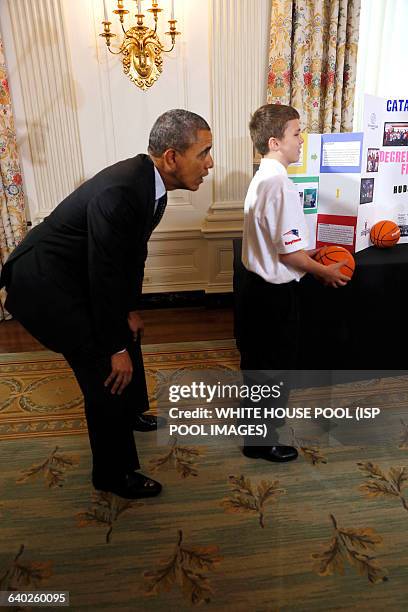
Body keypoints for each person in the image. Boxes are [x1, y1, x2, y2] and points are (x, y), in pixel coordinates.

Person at [0, 109, 213, 498]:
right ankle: (114, 474)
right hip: (44, 283)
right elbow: (103, 273)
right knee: (105, 369)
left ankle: (132, 413)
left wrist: (129, 310)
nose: (210, 163)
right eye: (204, 153)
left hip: (74, 273)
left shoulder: (148, 184)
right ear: (171, 157)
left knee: (125, 330)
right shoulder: (122, 191)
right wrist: (113, 345)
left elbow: (130, 256)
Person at [238, 103, 349, 463]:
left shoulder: (261, 178)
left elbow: (278, 243)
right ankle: (261, 443)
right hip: (273, 295)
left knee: (257, 363)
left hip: (254, 290)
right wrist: (325, 272)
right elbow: (287, 256)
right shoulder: (280, 185)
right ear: (275, 141)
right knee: (274, 367)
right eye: (296, 133)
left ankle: (252, 432)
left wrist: (307, 251)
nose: (302, 140)